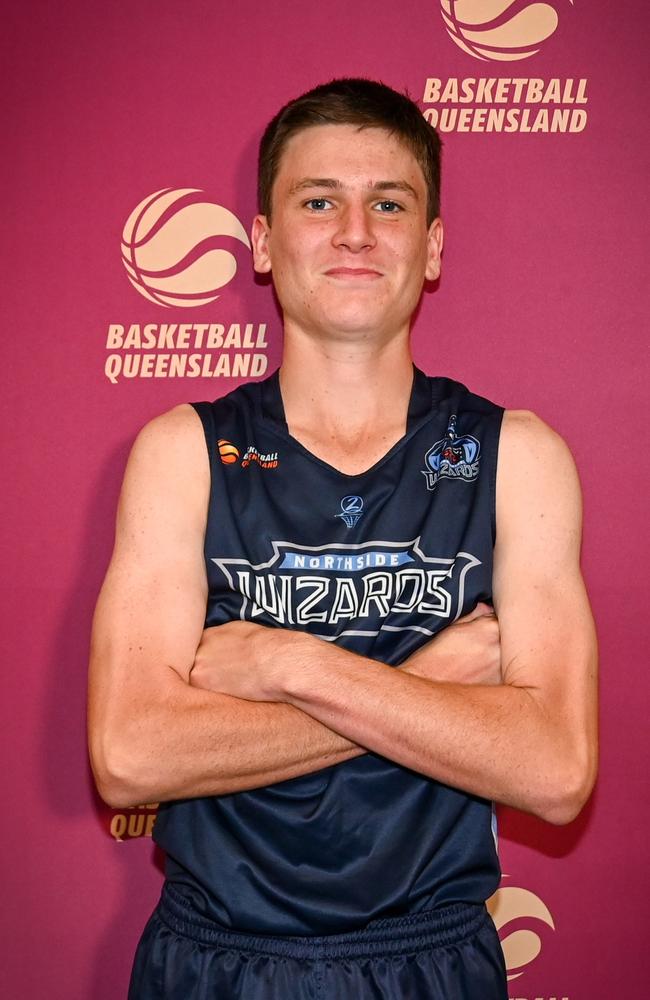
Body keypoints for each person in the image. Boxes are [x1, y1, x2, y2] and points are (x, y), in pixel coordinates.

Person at [88, 78, 598, 999]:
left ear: (432, 245)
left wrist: (290, 665)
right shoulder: (183, 452)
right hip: (218, 961)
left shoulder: (515, 455)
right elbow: (130, 758)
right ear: (260, 241)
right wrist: (430, 689)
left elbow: (556, 770)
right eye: (319, 200)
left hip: (432, 961)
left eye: (389, 203)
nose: (355, 231)